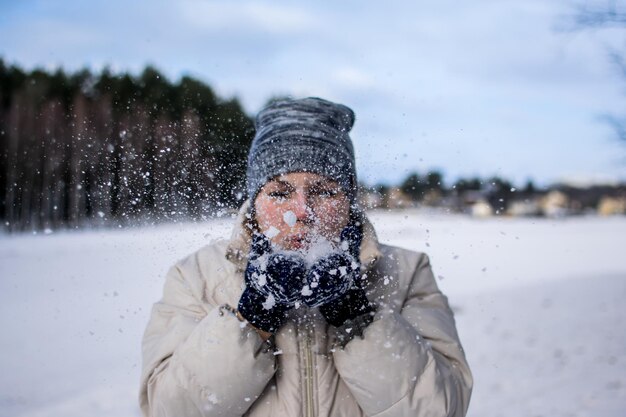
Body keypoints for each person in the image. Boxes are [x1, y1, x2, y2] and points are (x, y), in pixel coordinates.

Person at [139, 97, 473, 417]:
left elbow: (442, 409)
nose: (301, 211)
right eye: (280, 193)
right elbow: (166, 410)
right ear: (255, 201)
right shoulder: (196, 276)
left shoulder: (407, 272)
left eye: (324, 191)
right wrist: (251, 320)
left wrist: (356, 319)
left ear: (349, 199)